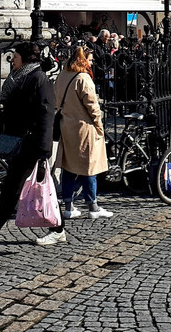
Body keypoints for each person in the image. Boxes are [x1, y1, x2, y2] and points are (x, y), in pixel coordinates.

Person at [0, 42, 64, 252]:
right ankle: (58, 230)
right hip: (19, 141)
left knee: (11, 190)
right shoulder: (21, 78)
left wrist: (43, 150)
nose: (12, 60)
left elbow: (46, 115)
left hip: (31, 144)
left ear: (26, 58)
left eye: (15, 56)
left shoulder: (39, 79)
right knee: (41, 188)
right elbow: (8, 114)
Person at [54, 47, 112, 220]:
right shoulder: (83, 78)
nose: (92, 62)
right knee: (89, 167)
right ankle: (92, 205)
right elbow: (93, 107)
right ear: (82, 60)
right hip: (84, 128)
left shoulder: (63, 75)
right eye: (90, 59)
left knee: (69, 167)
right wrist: (99, 126)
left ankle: (68, 206)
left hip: (67, 126)